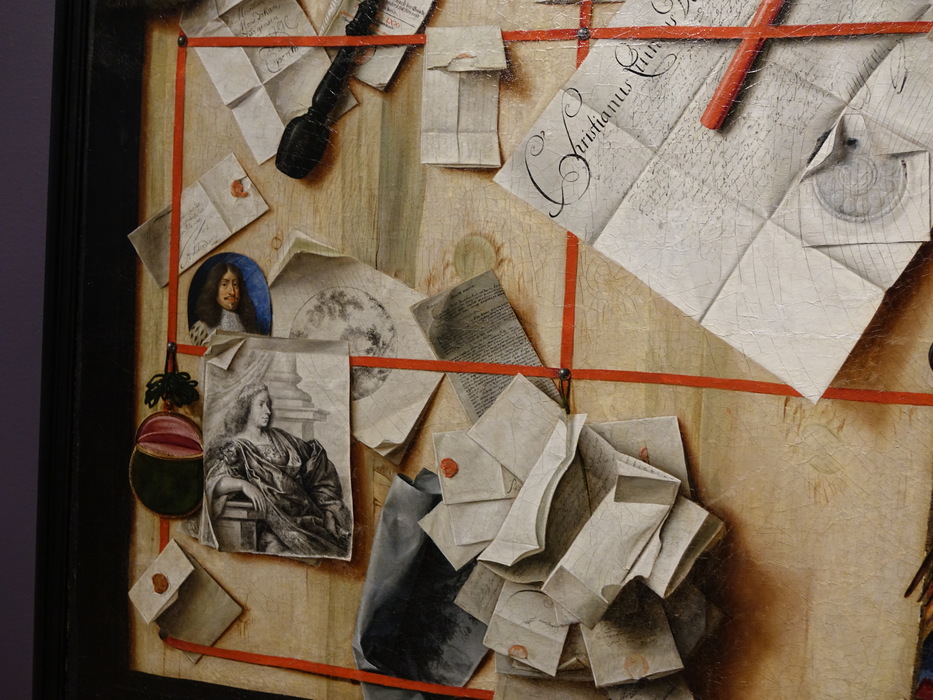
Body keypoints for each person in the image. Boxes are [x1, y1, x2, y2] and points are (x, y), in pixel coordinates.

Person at [204, 383, 351, 558]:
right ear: (246, 408)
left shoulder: (280, 437)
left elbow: (316, 463)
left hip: (308, 512)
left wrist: (328, 509)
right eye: (261, 404)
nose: (267, 411)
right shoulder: (236, 447)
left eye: (268, 404)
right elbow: (214, 480)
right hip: (277, 523)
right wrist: (243, 485)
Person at [189, 261, 261, 345]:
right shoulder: (201, 328)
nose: (232, 292)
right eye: (224, 284)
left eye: (235, 284)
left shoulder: (251, 329)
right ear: (214, 289)